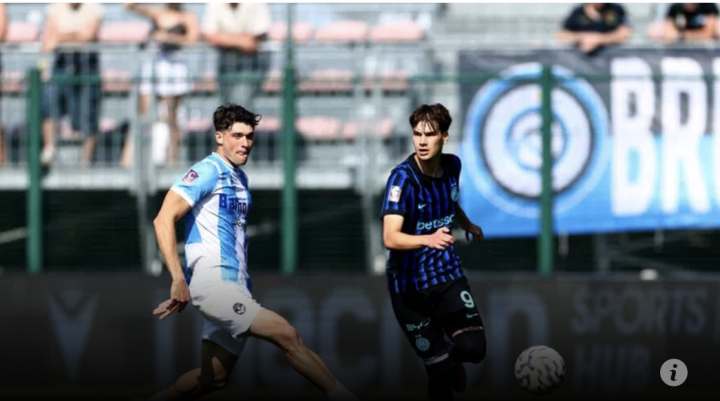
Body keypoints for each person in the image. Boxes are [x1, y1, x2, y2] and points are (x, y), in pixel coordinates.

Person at [140, 103, 358, 401]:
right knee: (287, 334)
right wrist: (178, 278)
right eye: (237, 136)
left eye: (250, 136)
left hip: (237, 287)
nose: (245, 143)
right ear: (219, 137)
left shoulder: (239, 179)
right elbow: (162, 219)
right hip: (214, 286)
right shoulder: (207, 171)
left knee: (213, 378)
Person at [380, 104, 487, 401]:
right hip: (408, 289)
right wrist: (427, 239)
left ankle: (446, 362)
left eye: (430, 134)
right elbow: (390, 237)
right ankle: (442, 367)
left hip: (446, 275)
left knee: (474, 349)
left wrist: (467, 223)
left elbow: (448, 201)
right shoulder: (402, 180)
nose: (422, 141)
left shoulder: (453, 166)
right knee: (439, 380)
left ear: (445, 137)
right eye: (417, 134)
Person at [122, 3, 199, 167]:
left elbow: (193, 39)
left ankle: (172, 162)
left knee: (172, 118)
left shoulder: (188, 16)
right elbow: (129, 5)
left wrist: (168, 38)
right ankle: (129, 162)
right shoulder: (157, 12)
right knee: (143, 115)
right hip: (155, 65)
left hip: (174, 67)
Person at [202, 2, 271, 106]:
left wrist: (222, 38)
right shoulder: (214, 4)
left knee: (241, 103)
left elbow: (255, 39)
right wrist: (241, 41)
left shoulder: (257, 4)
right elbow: (209, 35)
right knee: (228, 105)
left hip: (251, 63)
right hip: (225, 63)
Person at [556, 3, 631, 55]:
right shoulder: (577, 12)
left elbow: (624, 34)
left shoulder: (616, 9)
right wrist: (583, 38)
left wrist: (598, 39)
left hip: (610, 60)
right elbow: (562, 34)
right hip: (580, 62)